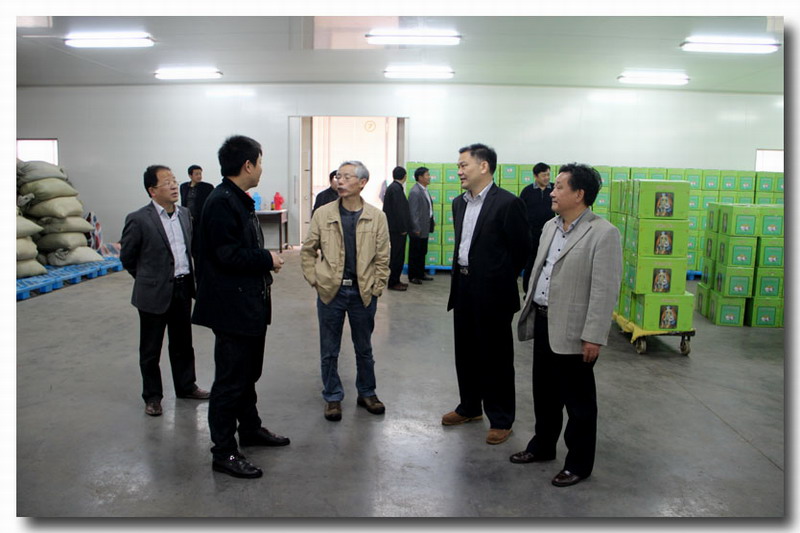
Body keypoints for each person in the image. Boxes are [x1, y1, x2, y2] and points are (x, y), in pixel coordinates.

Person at [511, 163, 622, 488]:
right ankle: (543, 446)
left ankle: (579, 464)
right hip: (544, 321)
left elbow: (604, 290)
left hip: (575, 331)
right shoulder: (550, 226)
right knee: (544, 393)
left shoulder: (603, 233)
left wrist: (593, 336)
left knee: (579, 403)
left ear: (579, 194)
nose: (552, 192)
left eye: (559, 187)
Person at [192, 135, 289, 479]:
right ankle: (224, 452)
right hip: (232, 308)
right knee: (230, 381)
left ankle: (249, 428)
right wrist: (268, 258)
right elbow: (227, 255)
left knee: (248, 375)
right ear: (247, 165)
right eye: (260, 163)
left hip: (248, 305)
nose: (261, 169)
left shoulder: (237, 199)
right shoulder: (222, 202)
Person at [442, 143, 530, 445]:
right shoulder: (459, 203)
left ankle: (501, 419)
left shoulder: (507, 203)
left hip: (494, 292)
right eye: (458, 166)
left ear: (484, 166)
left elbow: (521, 249)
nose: (459, 171)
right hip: (463, 287)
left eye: (463, 165)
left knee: (496, 357)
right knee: (465, 352)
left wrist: (498, 275)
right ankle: (469, 407)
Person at [300, 160, 390, 422]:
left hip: (363, 292)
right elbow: (308, 250)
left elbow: (383, 257)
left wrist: (377, 286)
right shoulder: (323, 214)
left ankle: (367, 392)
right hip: (332, 292)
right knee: (329, 349)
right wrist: (315, 279)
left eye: (347, 177)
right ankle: (332, 396)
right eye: (338, 176)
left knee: (364, 348)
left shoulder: (377, 217)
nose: (340, 181)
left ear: (362, 183)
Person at [120, 165, 210, 418]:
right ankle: (152, 397)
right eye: (167, 182)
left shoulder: (184, 214)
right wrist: (148, 279)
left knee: (183, 344)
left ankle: (186, 386)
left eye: (174, 181)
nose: (173, 186)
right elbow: (127, 257)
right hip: (153, 293)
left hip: (182, 288)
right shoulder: (139, 219)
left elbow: (190, 250)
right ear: (152, 190)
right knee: (150, 349)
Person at [518, 163, 554, 296]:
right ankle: (528, 291)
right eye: (543, 175)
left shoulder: (554, 189)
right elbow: (520, 212)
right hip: (531, 234)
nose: (547, 178)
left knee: (548, 262)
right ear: (535, 176)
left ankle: (545, 292)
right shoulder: (527, 191)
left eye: (548, 174)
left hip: (550, 233)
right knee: (531, 262)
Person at [382, 166, 412, 291]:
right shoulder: (395, 189)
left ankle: (396, 280)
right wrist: (403, 228)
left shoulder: (394, 188)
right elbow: (399, 211)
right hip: (397, 230)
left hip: (395, 228)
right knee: (397, 256)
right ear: (405, 176)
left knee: (398, 255)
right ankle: (393, 282)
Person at [407, 166, 435, 284]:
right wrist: (416, 228)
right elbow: (413, 212)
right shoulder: (415, 191)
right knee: (415, 252)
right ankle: (413, 276)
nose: (429, 177)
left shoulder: (424, 190)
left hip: (425, 226)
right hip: (418, 229)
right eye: (427, 175)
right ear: (420, 177)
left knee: (422, 251)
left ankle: (420, 273)